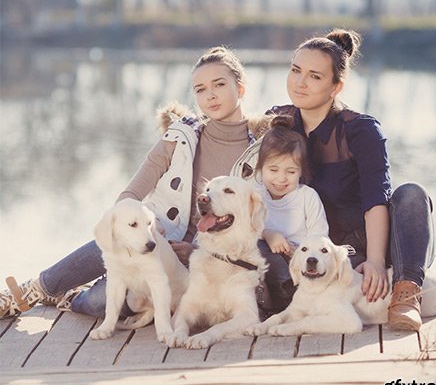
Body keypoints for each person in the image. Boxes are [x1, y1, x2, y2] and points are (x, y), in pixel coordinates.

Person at [0, 46, 277, 321]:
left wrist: (195, 250)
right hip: (153, 241)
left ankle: (69, 295)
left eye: (219, 85)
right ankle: (30, 292)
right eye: (200, 89)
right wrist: (138, 231)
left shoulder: (260, 154)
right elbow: (131, 195)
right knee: (119, 230)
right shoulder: (180, 137)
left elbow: (253, 228)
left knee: (100, 303)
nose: (210, 95)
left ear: (240, 89)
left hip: (203, 263)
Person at [270, 28, 436, 332]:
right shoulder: (278, 122)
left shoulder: (360, 130)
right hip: (315, 255)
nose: (300, 82)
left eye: (315, 76)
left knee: (412, 194)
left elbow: (376, 198)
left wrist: (375, 261)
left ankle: (407, 291)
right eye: (295, 70)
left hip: (370, 246)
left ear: (337, 87)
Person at [255, 124, 328, 313]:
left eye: (291, 172)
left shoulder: (307, 196)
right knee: (258, 248)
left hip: (303, 261)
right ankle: (283, 297)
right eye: (273, 170)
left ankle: (295, 297)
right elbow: (244, 228)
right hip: (269, 262)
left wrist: (298, 252)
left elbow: (319, 237)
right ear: (260, 168)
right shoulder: (255, 196)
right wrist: (268, 234)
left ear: (301, 171)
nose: (281, 179)